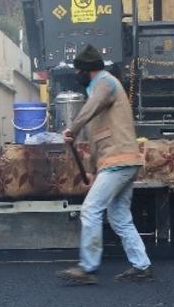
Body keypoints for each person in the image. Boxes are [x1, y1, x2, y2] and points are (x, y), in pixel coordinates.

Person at [58, 45, 153, 285]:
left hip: (118, 161)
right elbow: (96, 137)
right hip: (121, 161)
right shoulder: (98, 90)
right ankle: (141, 266)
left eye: (78, 70)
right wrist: (91, 170)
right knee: (119, 216)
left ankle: (88, 268)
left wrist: (72, 129)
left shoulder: (105, 83)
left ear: (86, 70)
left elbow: (88, 111)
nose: (76, 75)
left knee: (90, 209)